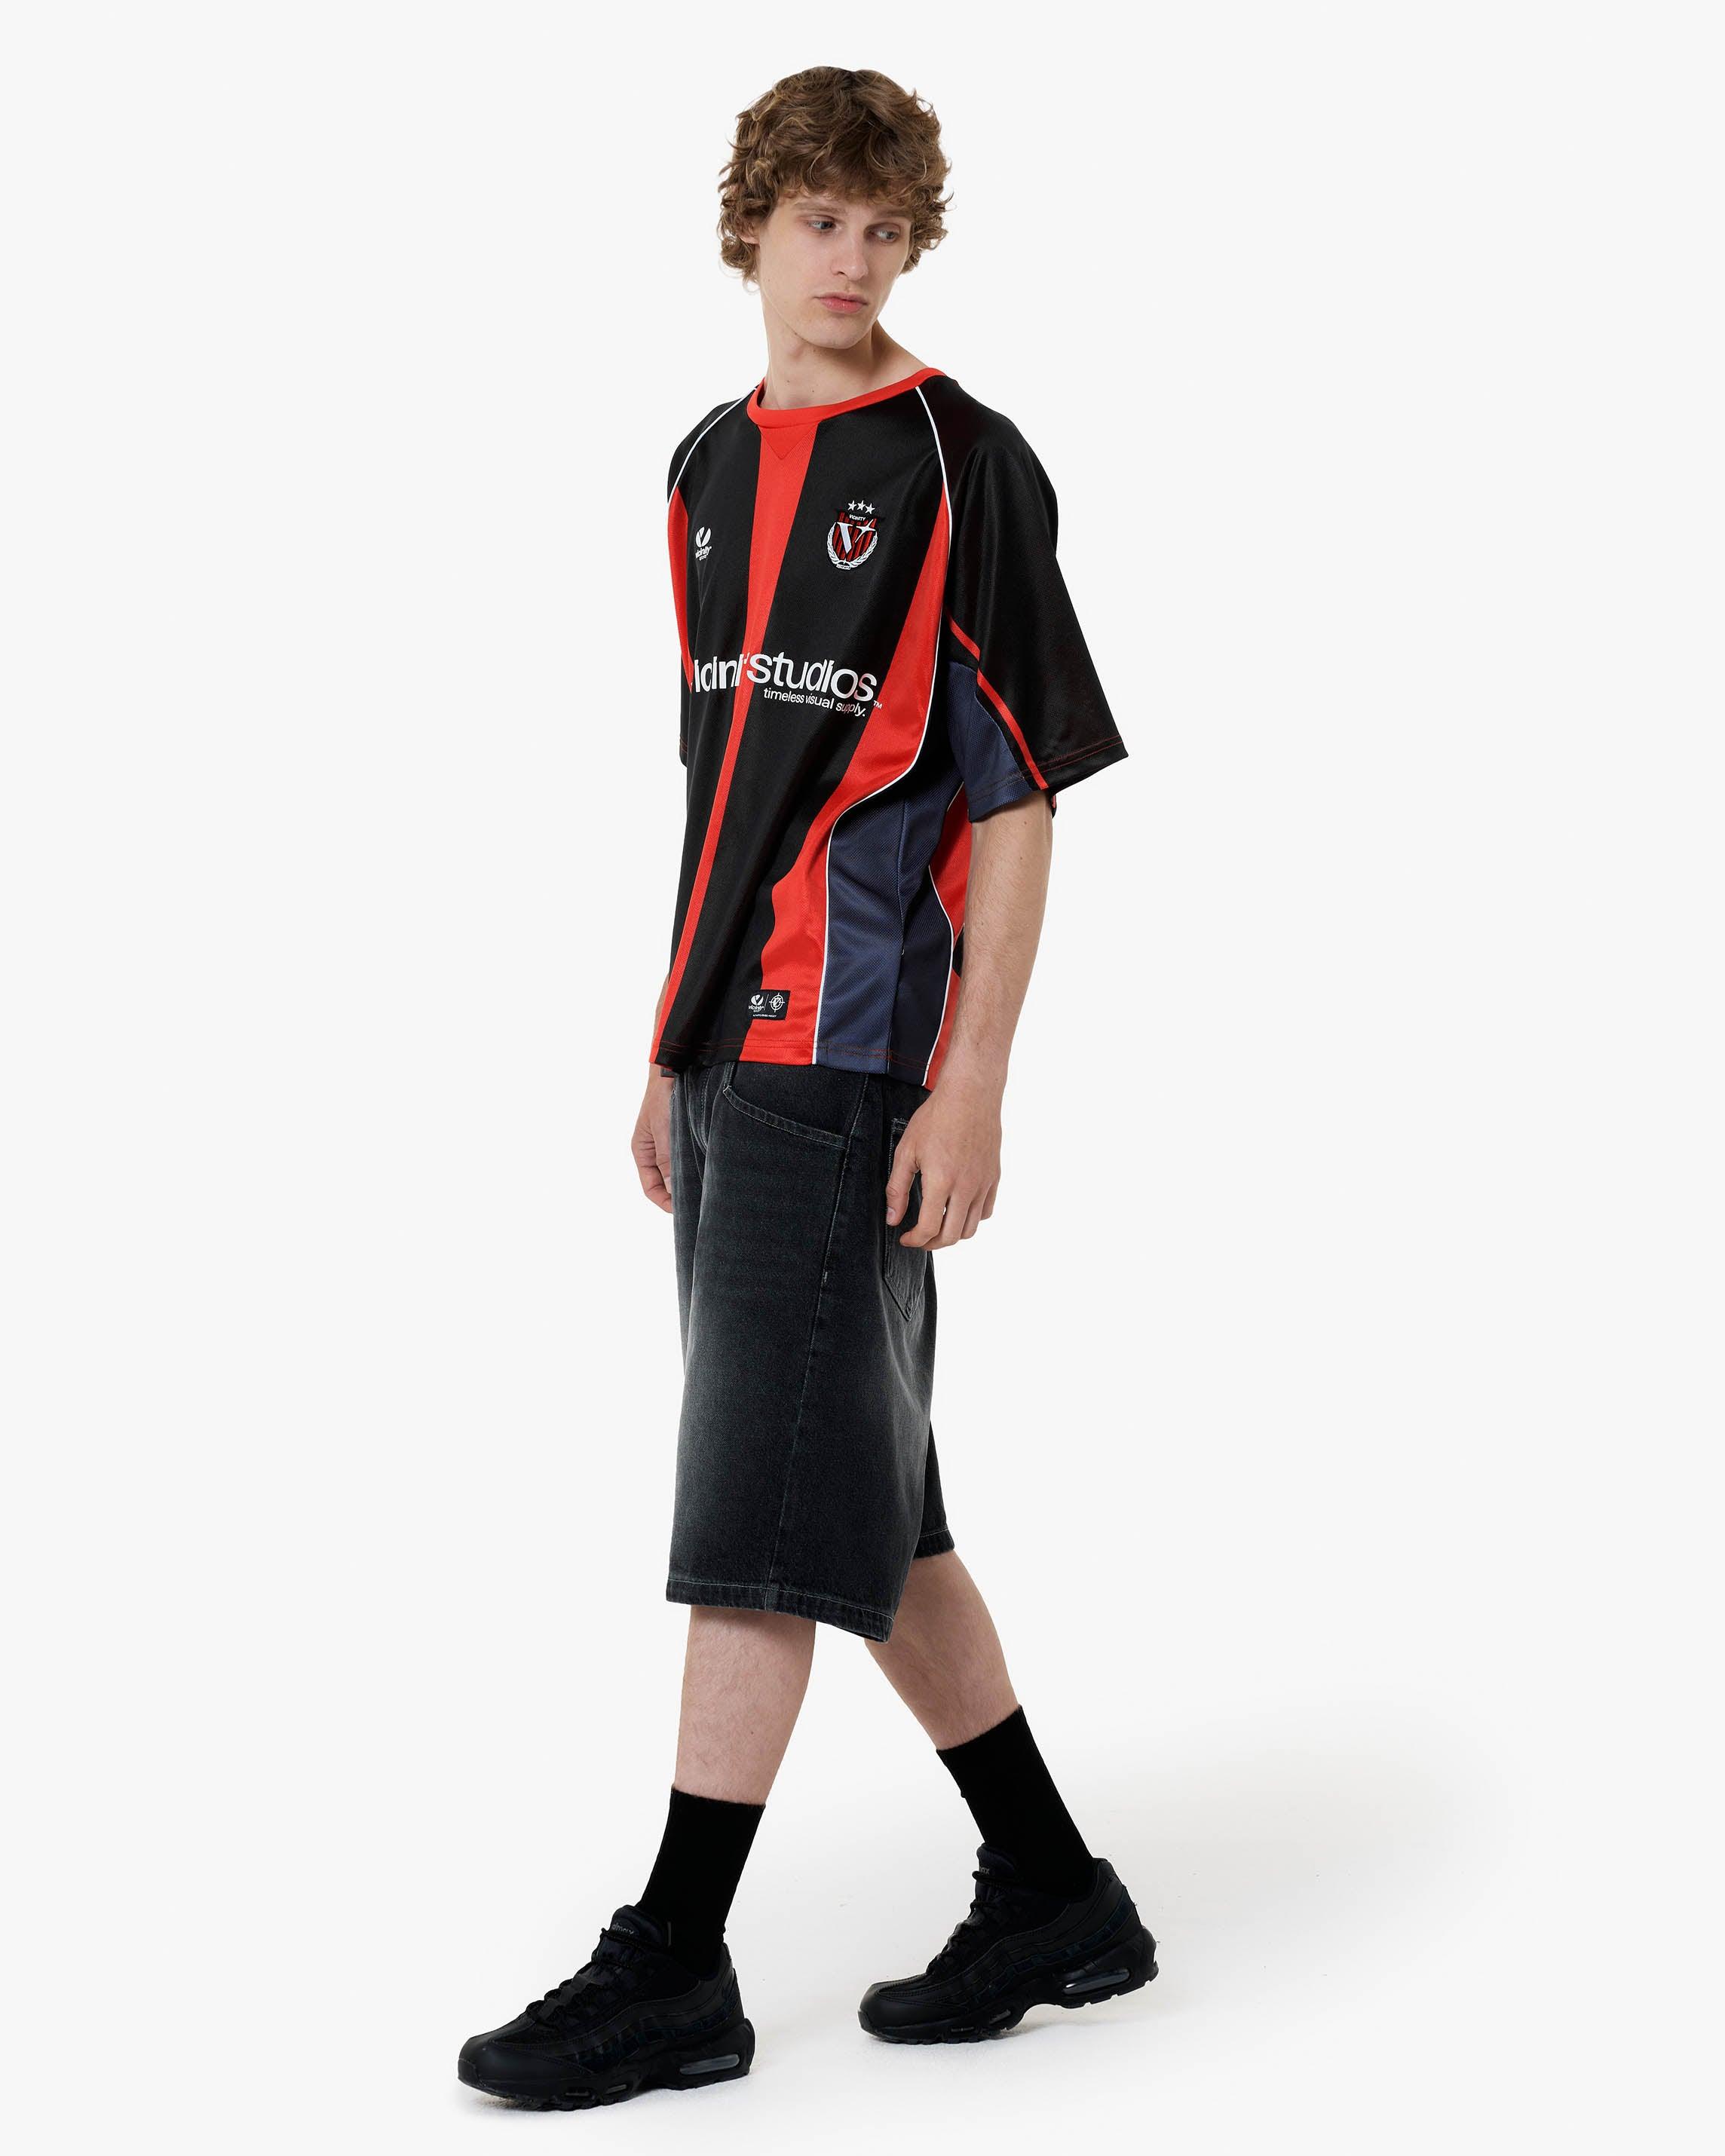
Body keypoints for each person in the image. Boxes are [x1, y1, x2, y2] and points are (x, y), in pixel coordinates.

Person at [459, 66, 1154, 2111]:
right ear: (752, 228)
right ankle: (1056, 1892)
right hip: (730, 1051)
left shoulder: (961, 460)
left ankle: (676, 1961)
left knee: (758, 1513)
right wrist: (666, 1040)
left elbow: (1015, 795)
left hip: (854, 1057)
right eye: (820, 219)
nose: (853, 258)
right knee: (869, 1500)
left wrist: (974, 1080)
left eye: (885, 225)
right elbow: (728, 792)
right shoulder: (701, 467)